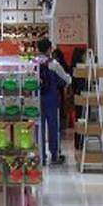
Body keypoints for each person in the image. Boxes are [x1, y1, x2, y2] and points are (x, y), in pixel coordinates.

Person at [38, 38, 71, 166]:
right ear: (49, 49)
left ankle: (41, 156)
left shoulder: (34, 63)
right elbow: (66, 79)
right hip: (51, 98)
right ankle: (54, 155)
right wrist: (69, 80)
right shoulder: (54, 64)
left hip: (38, 99)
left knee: (39, 128)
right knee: (53, 127)